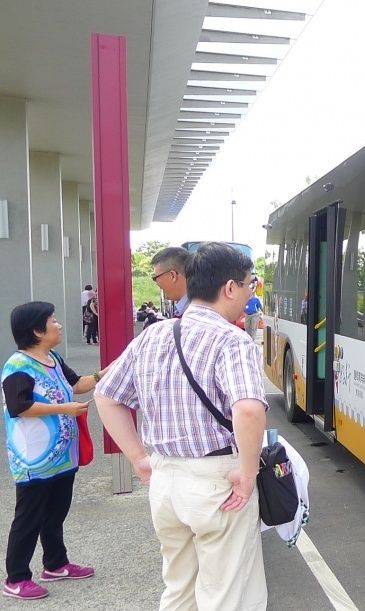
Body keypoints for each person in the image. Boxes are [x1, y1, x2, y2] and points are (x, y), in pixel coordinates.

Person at [95, 243, 269, 610]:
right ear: (230, 287)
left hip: (165, 480)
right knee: (226, 595)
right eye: (249, 283)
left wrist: (139, 458)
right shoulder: (232, 339)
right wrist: (248, 472)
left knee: (178, 589)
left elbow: (106, 396)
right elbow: (249, 409)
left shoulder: (153, 335)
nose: (250, 293)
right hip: (217, 479)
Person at [3, 302, 105, 601]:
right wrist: (64, 409)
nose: (58, 325)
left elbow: (77, 384)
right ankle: (16, 578)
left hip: (62, 456)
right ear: (37, 331)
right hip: (34, 459)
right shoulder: (18, 366)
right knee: (29, 518)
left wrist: (102, 374)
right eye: (52, 320)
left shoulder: (53, 358)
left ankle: (56, 564)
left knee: (55, 513)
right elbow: (19, 407)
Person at [150, 246, 191, 318]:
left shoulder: (192, 314)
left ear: (173, 276)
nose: (156, 283)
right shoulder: (195, 305)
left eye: (155, 278)